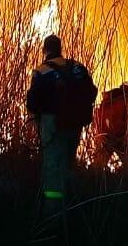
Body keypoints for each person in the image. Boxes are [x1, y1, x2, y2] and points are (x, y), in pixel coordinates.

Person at [26, 35, 97, 213]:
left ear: (45, 50)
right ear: (60, 48)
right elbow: (92, 91)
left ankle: (53, 212)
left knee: (52, 167)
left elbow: (32, 102)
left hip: (52, 125)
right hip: (75, 124)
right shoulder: (78, 68)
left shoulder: (42, 71)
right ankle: (71, 205)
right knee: (68, 163)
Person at [92, 82, 128, 170]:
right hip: (123, 136)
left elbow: (98, 117)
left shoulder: (107, 100)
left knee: (98, 165)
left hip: (105, 136)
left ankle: (93, 180)